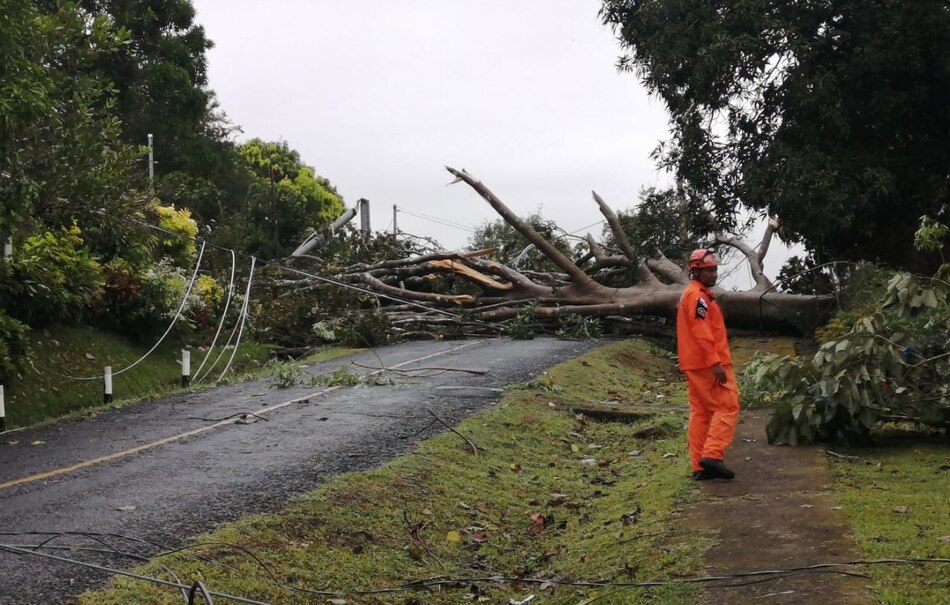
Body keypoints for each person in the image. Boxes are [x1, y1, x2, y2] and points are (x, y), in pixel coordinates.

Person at [676, 249, 739, 480]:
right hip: (708, 364)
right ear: (696, 272)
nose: (714, 274)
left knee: (701, 412)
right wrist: (716, 362)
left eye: (714, 269)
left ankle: (699, 466)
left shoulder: (694, 294)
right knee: (727, 406)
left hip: (694, 363)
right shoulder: (698, 297)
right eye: (709, 270)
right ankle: (712, 455)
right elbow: (701, 331)